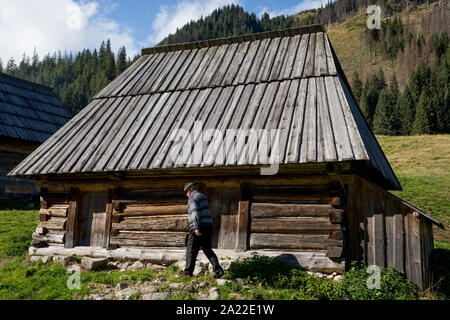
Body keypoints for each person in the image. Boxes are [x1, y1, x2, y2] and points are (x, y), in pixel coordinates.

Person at [183, 182, 224, 278]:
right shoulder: (203, 196)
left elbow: (195, 212)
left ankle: (188, 273)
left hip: (199, 226)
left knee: (191, 250)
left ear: (189, 190)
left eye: (186, 192)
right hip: (207, 226)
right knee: (207, 249)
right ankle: (218, 270)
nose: (186, 195)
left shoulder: (192, 198)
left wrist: (196, 227)